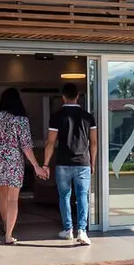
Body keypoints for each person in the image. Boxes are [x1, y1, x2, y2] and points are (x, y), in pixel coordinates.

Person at [0, 87, 47, 245]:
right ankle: (8, 235)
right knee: (13, 199)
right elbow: (26, 145)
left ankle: (6, 228)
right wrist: (36, 166)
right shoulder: (20, 119)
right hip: (13, 162)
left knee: (2, 197)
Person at [39, 82, 98, 246]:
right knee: (82, 197)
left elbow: (50, 143)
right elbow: (93, 143)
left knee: (64, 196)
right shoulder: (88, 117)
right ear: (77, 96)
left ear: (63, 97)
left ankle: (68, 230)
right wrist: (92, 163)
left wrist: (45, 164)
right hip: (83, 162)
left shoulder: (57, 116)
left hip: (63, 162)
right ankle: (82, 231)